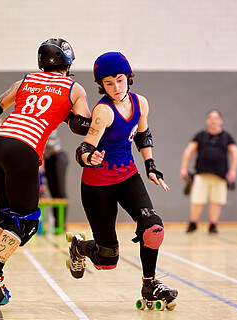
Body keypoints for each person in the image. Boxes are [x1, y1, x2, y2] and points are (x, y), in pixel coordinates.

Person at [0, 37, 91, 307]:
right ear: (68, 62)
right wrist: (81, 117)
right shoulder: (74, 89)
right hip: (24, 148)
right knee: (28, 221)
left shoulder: (25, 81)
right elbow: (81, 126)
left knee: (7, 211)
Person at [66, 52, 178, 307]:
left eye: (120, 80)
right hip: (97, 186)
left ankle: (149, 285)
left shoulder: (141, 103)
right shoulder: (103, 111)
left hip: (128, 177)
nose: (116, 87)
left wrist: (151, 166)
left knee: (153, 228)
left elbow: (143, 134)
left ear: (128, 77)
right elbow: (84, 148)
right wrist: (89, 158)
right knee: (107, 259)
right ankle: (79, 248)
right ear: (101, 86)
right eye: (109, 83)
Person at [180, 109, 237, 234]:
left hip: (220, 176)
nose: (213, 121)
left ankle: (213, 224)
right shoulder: (201, 136)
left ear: (221, 121)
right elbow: (189, 151)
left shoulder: (226, 137)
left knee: (216, 201)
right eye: (211, 118)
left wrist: (233, 170)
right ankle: (193, 223)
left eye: (216, 118)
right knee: (197, 200)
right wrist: (184, 167)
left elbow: (234, 152)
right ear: (207, 120)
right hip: (201, 174)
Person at [43, 129, 69, 231]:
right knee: (52, 192)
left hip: (57, 156)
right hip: (47, 158)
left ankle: (61, 225)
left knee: (59, 191)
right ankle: (56, 224)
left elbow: (48, 142)